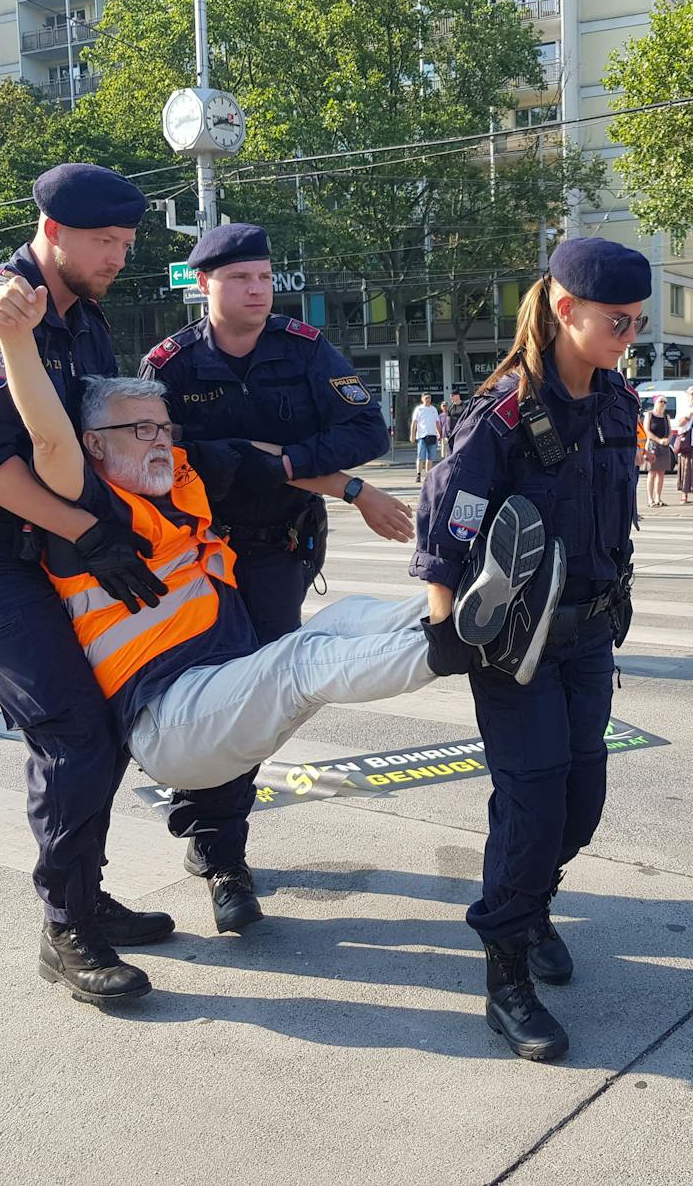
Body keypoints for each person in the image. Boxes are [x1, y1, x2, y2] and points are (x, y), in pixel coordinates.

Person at [0, 278, 561, 1000]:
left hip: (222, 689)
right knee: (302, 659)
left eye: (165, 428)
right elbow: (45, 433)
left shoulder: (187, 470)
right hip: (167, 717)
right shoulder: (83, 492)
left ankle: (483, 619)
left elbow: (276, 461)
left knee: (347, 619)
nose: (160, 442)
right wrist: (14, 338)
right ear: (95, 443)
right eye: (141, 432)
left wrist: (358, 490)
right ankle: (456, 647)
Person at [0, 163, 173, 1002]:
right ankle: (67, 928)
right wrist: (90, 532)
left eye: (128, 245)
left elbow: (93, 433)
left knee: (111, 722)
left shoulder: (85, 319)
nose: (118, 259)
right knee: (71, 727)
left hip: (53, 547)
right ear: (52, 233)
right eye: (105, 243)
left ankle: (84, 893)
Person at [411, 236, 647, 1063]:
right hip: (514, 649)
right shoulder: (507, 409)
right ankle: (505, 975)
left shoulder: (618, 403)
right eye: (617, 322)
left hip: (588, 636)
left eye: (637, 323)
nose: (630, 335)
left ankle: (536, 900)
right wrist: (444, 623)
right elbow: (451, 516)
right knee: (534, 799)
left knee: (580, 803)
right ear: (564, 308)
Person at [140, 223, 395, 934]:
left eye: (264, 276)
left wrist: (280, 464)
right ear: (204, 286)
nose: (258, 289)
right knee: (208, 690)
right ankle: (221, 850)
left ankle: (216, 838)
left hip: (278, 552)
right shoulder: (171, 366)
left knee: (257, 694)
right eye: (241, 278)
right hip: (193, 557)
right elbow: (148, 451)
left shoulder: (305, 350)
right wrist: (227, 455)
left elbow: (369, 432)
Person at [644, 394, 674, 508]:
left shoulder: (666, 417)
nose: (662, 404)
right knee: (652, 472)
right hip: (653, 446)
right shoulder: (650, 415)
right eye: (661, 401)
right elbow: (647, 431)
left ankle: (658, 497)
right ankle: (650, 499)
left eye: (664, 402)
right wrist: (658, 440)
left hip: (664, 447)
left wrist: (668, 439)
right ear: (656, 402)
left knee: (661, 473)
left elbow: (670, 431)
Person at [412, 392, 442, 483]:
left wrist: (439, 433)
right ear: (422, 399)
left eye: (429, 398)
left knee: (430, 457)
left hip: (432, 435)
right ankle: (418, 474)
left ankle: (428, 475)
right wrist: (412, 434)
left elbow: (437, 422)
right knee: (420, 456)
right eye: (426, 398)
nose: (428, 399)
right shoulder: (419, 409)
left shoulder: (433, 409)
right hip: (422, 436)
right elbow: (414, 422)